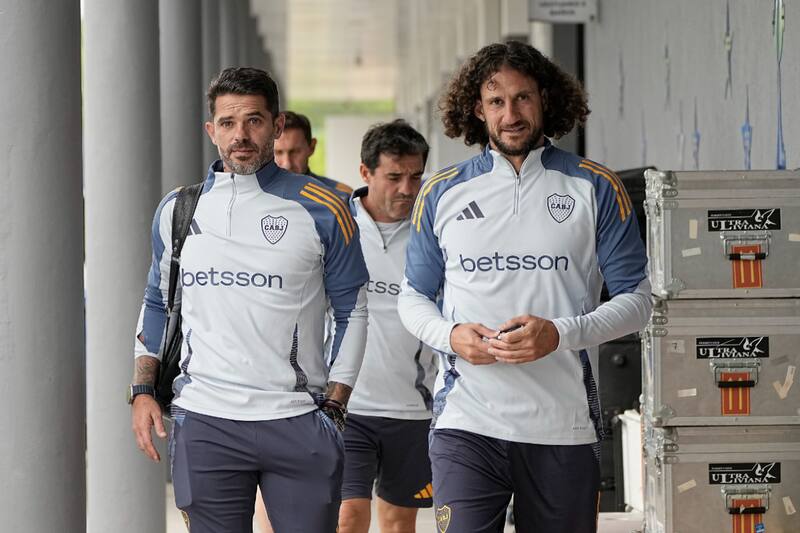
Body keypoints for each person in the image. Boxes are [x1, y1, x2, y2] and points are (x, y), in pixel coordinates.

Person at [397, 41, 652, 533]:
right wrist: (450, 336)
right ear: (478, 109)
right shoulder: (442, 190)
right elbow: (412, 297)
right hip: (466, 422)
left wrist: (560, 333)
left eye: (523, 98)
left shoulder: (594, 186)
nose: (510, 113)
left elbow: (638, 302)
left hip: (564, 426)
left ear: (546, 100)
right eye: (496, 101)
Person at [129, 67, 369, 533]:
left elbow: (354, 310)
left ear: (277, 126)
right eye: (228, 123)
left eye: (254, 120)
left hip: (297, 418)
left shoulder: (323, 207)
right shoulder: (179, 208)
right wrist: (142, 391)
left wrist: (335, 407)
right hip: (205, 421)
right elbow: (157, 301)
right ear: (211, 130)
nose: (241, 135)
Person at [337, 120, 436, 533]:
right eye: (394, 177)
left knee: (397, 523)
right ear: (366, 173)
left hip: (411, 408)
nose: (406, 189)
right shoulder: (334, 226)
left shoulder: (433, 232)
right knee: (347, 518)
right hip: (344, 405)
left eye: (415, 177)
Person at [274, 110, 353, 198]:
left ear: (312, 147)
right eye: (278, 152)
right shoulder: (257, 197)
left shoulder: (342, 195)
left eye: (295, 152)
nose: (287, 164)